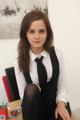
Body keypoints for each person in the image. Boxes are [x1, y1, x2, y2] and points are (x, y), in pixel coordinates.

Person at [14, 10, 71, 120]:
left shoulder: (57, 54)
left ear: (47, 33)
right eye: (31, 31)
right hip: (35, 110)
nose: (37, 36)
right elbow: (24, 96)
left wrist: (60, 104)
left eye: (41, 31)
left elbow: (62, 85)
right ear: (25, 34)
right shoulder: (18, 62)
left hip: (55, 104)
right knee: (30, 89)